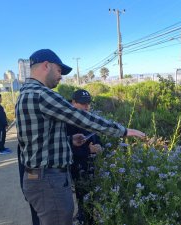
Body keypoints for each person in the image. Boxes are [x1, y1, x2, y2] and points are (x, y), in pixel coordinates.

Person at [15, 49, 145, 225]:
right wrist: (122, 131)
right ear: (46, 65)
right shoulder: (42, 95)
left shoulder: (25, 93)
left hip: (37, 177)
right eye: (59, 71)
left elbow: (35, 141)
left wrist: (69, 140)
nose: (61, 77)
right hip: (49, 180)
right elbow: (81, 117)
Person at [68, 89, 102, 224]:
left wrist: (99, 146)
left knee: (91, 195)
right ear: (73, 102)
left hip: (91, 164)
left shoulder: (88, 117)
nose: (87, 107)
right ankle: (84, 219)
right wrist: (88, 150)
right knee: (83, 195)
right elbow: (66, 146)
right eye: (83, 104)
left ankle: (87, 217)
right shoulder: (67, 121)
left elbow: (97, 136)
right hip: (77, 166)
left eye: (88, 103)